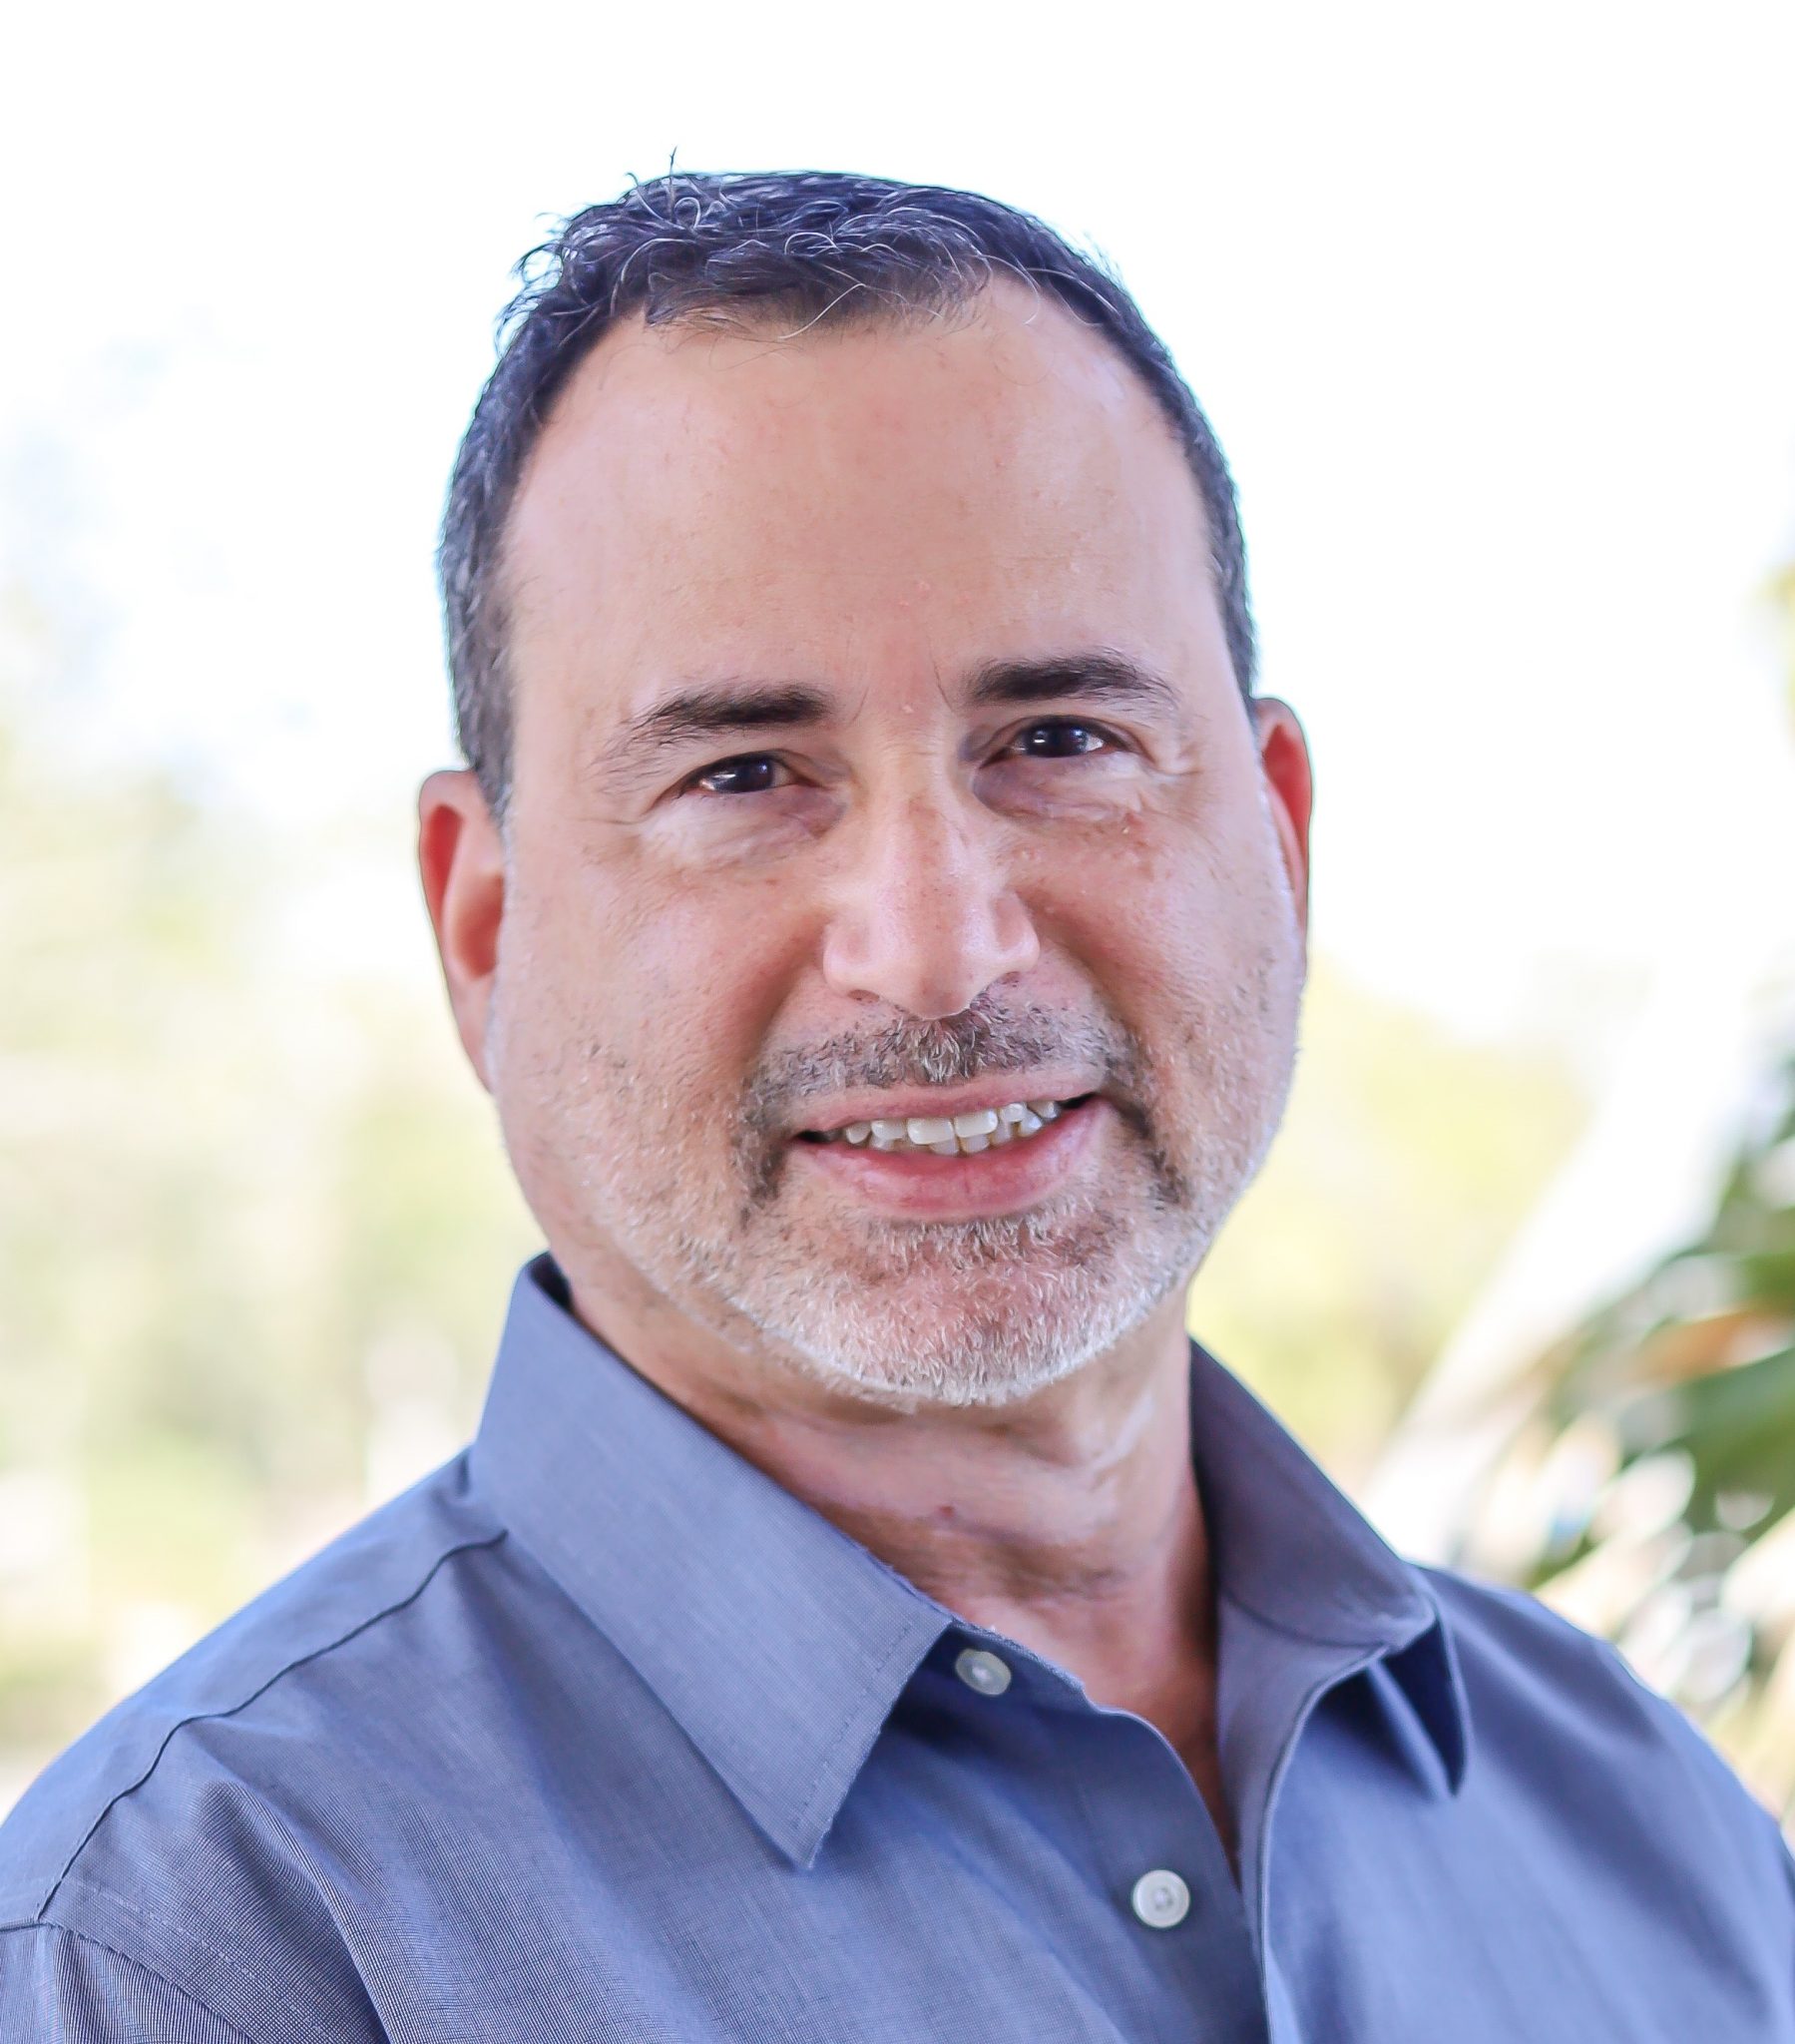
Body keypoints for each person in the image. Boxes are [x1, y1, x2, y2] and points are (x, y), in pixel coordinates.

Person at [1, 169, 1789, 2042]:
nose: (940, 950)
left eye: (1063, 741)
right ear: (486, 927)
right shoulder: (202, 1949)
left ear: (1279, 837)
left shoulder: (1648, 1827)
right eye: (744, 775)